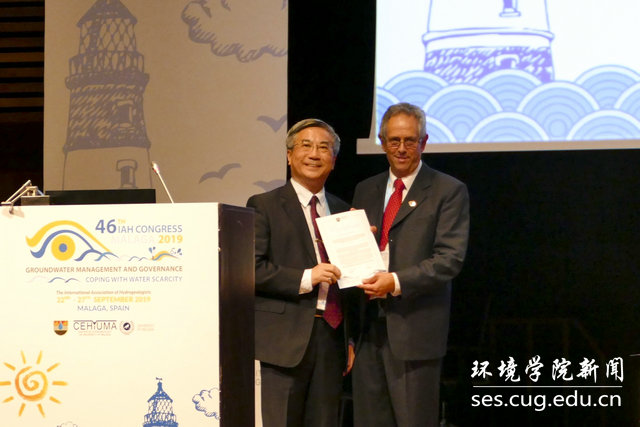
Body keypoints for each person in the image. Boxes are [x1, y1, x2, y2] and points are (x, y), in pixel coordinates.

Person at [351, 103, 470, 427]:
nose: (401, 148)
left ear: (424, 142)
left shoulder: (448, 190)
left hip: (415, 331)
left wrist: (395, 282)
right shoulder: (366, 189)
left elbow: (449, 259)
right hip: (367, 329)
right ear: (382, 142)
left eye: (410, 140)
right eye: (394, 140)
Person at [247, 118, 354, 427]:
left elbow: (351, 283)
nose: (314, 154)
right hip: (285, 341)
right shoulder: (264, 205)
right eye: (306, 146)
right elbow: (252, 269)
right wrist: (308, 277)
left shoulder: (343, 210)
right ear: (289, 155)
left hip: (331, 337)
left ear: (333, 160)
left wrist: (350, 339)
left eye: (324, 148)